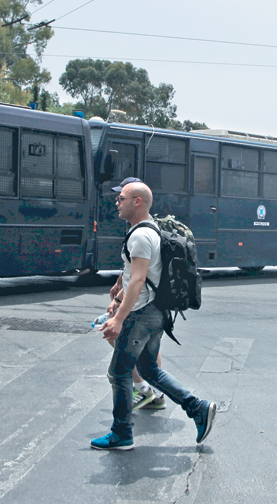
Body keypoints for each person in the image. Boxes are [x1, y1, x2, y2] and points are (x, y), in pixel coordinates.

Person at [92, 177, 215, 451]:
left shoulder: (140, 236)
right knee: (149, 369)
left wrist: (119, 318)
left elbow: (137, 281)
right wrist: (118, 292)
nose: (116, 202)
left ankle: (121, 434)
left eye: (121, 198)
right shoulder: (149, 230)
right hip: (156, 312)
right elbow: (138, 276)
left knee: (119, 373)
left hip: (141, 314)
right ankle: (198, 408)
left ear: (137, 202)